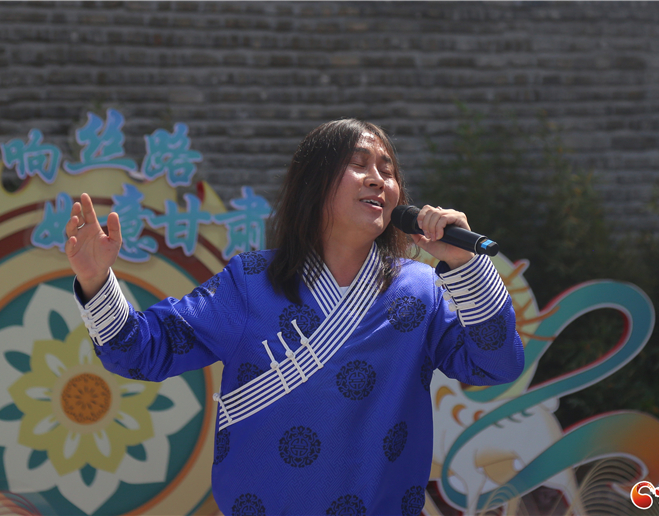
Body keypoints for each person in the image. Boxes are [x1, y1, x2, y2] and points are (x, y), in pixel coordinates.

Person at [65, 119, 524, 515]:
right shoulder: (250, 283)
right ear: (314, 184)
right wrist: (95, 279)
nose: (377, 180)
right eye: (359, 164)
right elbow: (140, 352)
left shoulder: (418, 290)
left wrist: (465, 265)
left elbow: (497, 365)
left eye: (387, 171)